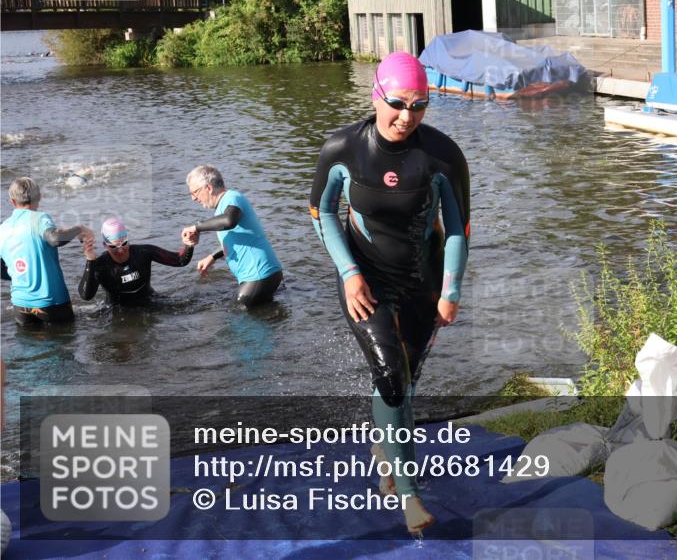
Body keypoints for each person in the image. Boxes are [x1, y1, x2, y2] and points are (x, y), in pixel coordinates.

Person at [309, 51, 470, 534]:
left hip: (423, 280)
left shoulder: (442, 155)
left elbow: (459, 229)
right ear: (376, 95)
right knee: (392, 376)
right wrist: (348, 273)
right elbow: (322, 213)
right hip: (367, 281)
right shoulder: (343, 148)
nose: (406, 116)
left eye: (420, 105)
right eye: (397, 103)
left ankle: (385, 449)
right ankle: (408, 494)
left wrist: (451, 290)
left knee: (409, 379)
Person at [181, 166, 282, 307]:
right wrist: (212, 257)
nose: (193, 198)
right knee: (256, 319)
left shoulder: (232, 197)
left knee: (235, 321)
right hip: (264, 276)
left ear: (208, 188)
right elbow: (237, 237)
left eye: (194, 192)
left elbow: (229, 221)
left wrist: (197, 227)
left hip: (259, 276)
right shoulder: (224, 206)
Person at [0, 177, 94, 326]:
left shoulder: (3, 228)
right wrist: (79, 229)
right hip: (52, 302)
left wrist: (21, 275)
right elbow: (55, 238)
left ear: (12, 201)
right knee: (64, 344)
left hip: (20, 304)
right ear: (39, 197)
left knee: (30, 346)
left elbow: (1, 270)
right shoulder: (39, 219)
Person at [79, 217, 195, 306]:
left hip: (149, 301)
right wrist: (90, 261)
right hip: (117, 310)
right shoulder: (100, 265)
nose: (120, 250)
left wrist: (189, 243)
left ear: (128, 240)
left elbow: (180, 260)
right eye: (114, 246)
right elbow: (86, 296)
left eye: (124, 244)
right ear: (105, 245)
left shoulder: (143, 252)